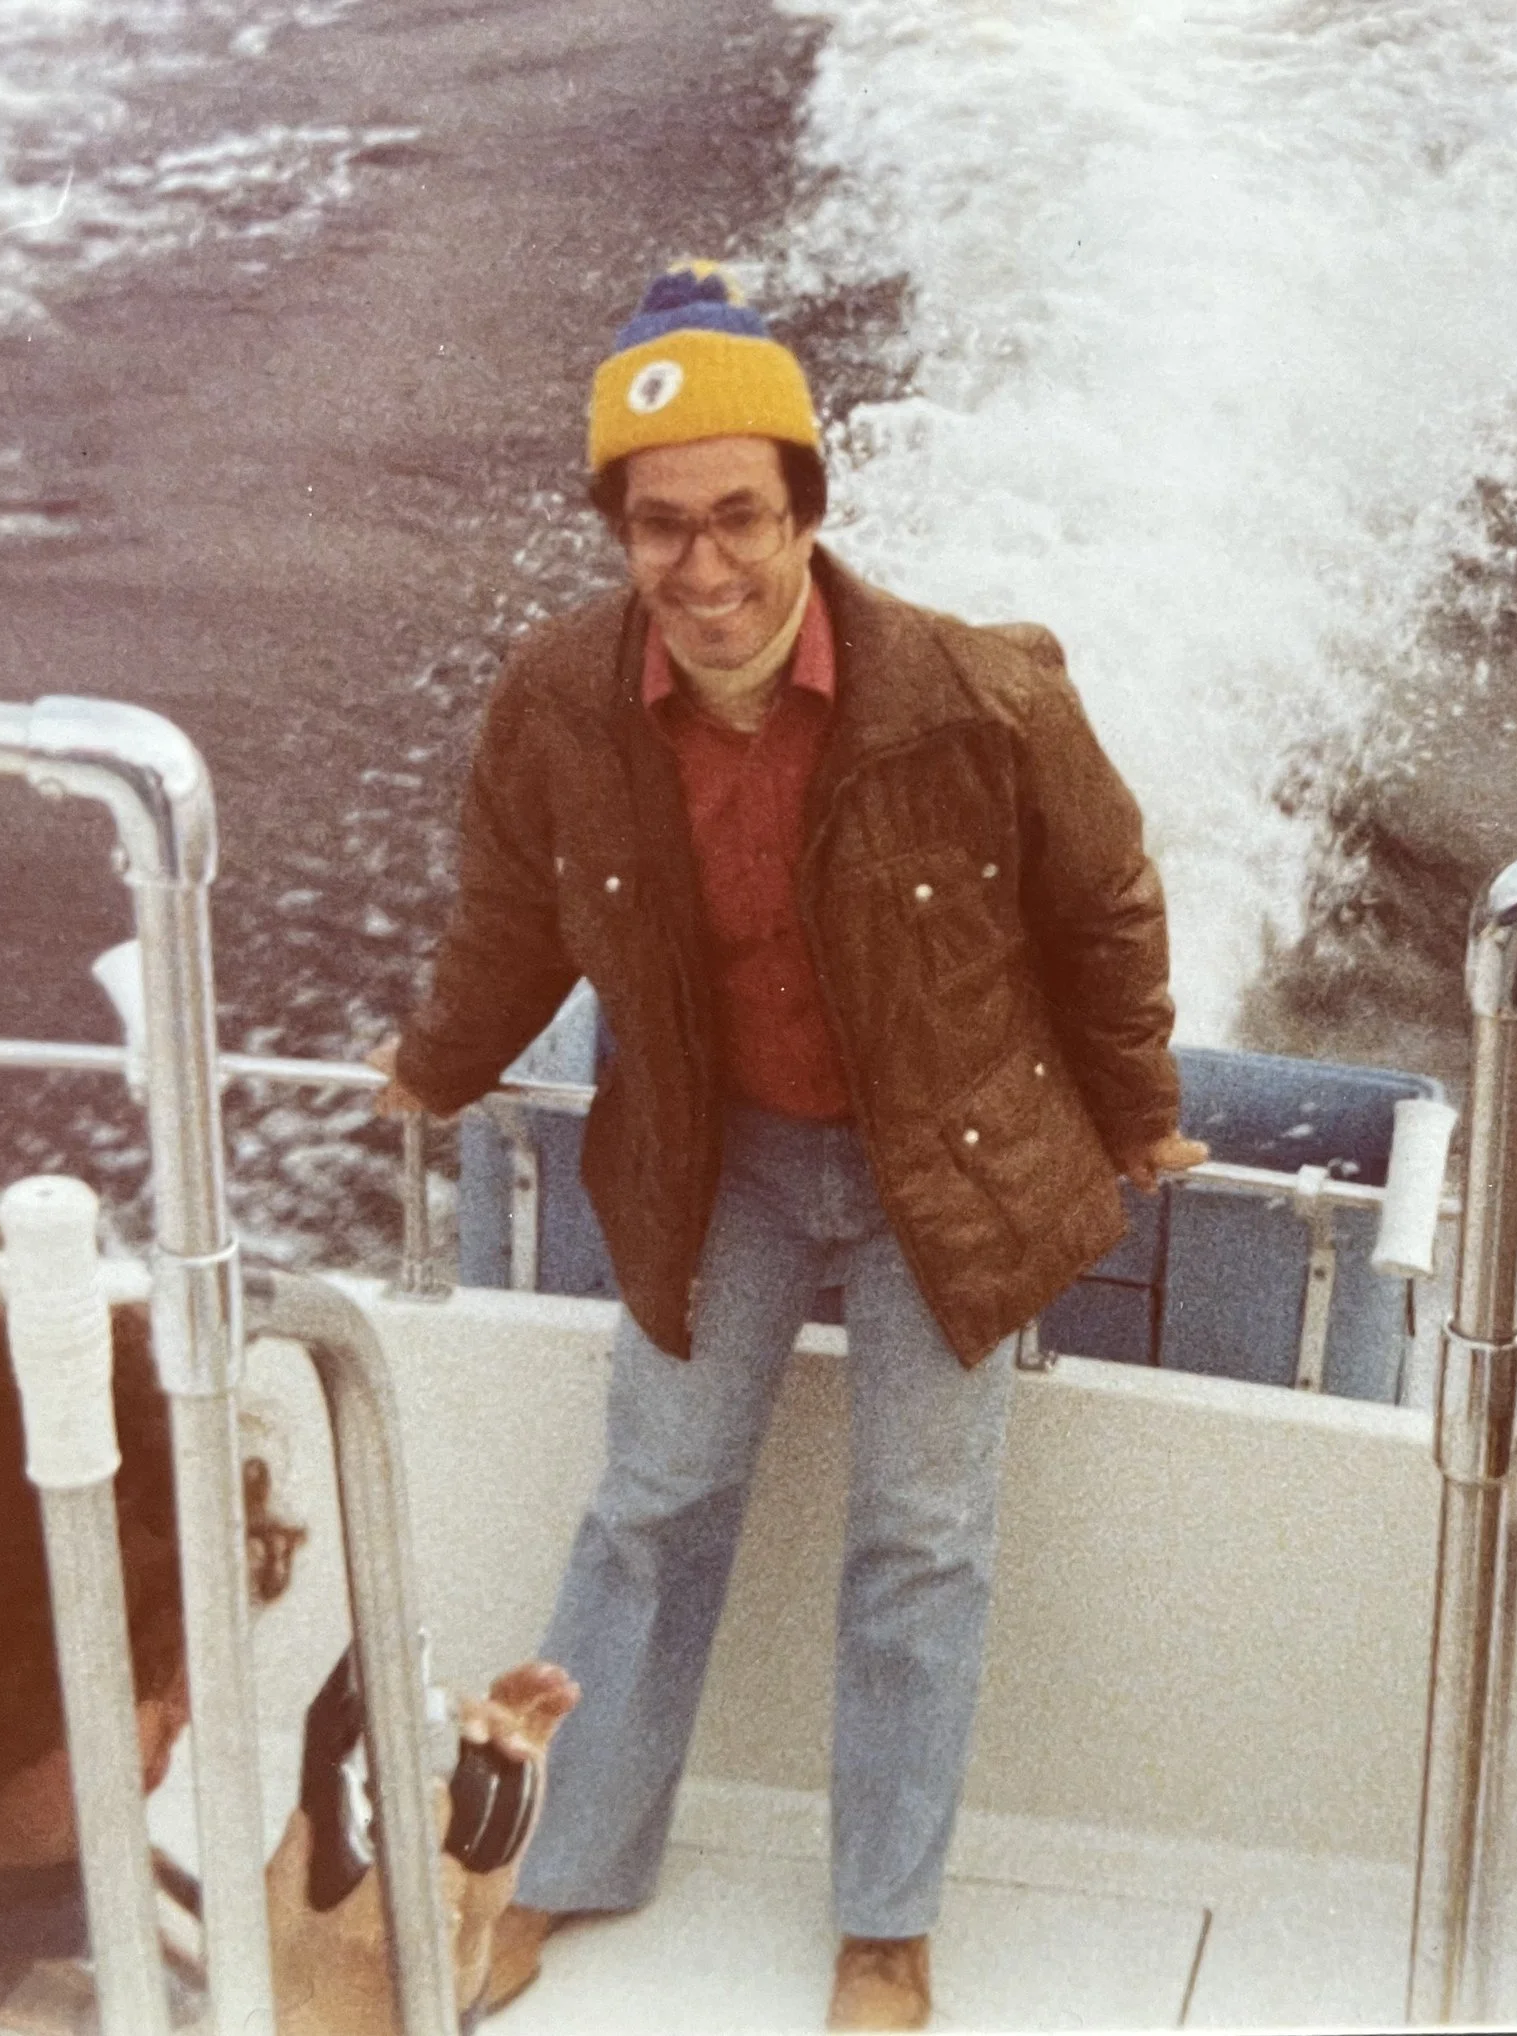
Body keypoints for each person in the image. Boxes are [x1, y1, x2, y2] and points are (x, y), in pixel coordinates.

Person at [368, 261, 1204, 2032]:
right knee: (650, 1505)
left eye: (742, 515)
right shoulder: (554, 703)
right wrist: (439, 1065)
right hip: (716, 1155)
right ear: (617, 534)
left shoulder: (980, 692)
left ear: (808, 513)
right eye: (659, 525)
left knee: (919, 1537)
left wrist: (1136, 1115)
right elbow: (512, 915)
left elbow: (1105, 905)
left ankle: (886, 1924)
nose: (706, 566)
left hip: (942, 1170)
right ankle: (567, 1866)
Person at [0, 1268, 577, 2034]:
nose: (187, 1703)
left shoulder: (89, 1875)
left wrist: (459, 1934)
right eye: (145, 1679)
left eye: (178, 1655)